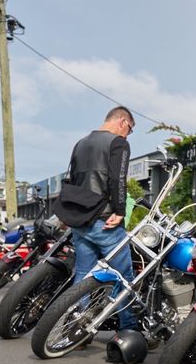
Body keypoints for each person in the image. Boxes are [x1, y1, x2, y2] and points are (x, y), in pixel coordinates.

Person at [56, 105, 137, 330]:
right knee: (124, 276)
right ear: (123, 121)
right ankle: (129, 327)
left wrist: (66, 213)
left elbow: (71, 179)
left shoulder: (80, 143)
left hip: (79, 219)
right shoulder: (118, 143)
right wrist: (120, 211)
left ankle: (75, 326)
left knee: (82, 273)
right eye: (129, 129)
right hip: (104, 220)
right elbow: (117, 180)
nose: (128, 134)